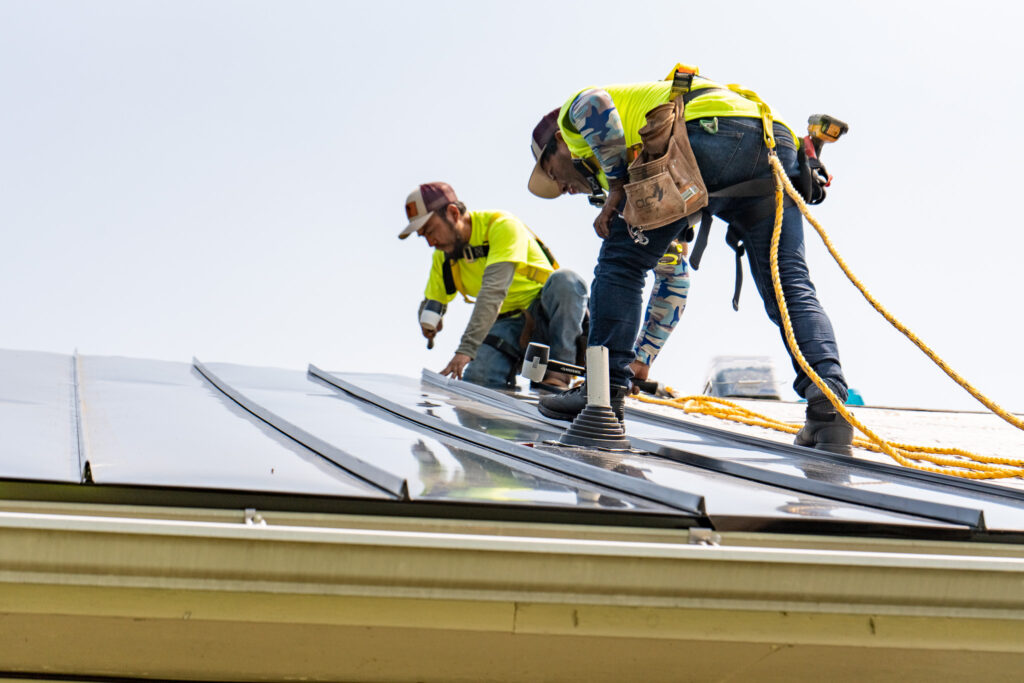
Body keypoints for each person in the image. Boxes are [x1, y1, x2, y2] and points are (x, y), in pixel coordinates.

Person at [526, 67, 853, 455]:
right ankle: (829, 412)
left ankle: (602, 401)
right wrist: (643, 357)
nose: (564, 189)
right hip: (773, 143)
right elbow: (674, 276)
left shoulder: (572, 119)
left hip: (711, 134)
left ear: (559, 144)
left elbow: (593, 104)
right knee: (791, 285)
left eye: (552, 173)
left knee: (620, 264)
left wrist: (617, 187)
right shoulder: (637, 153)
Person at [400, 182, 587, 390]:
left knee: (566, 281)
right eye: (423, 235)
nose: (430, 242)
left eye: (430, 230)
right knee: (478, 381)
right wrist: (427, 320)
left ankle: (558, 376)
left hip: (547, 316)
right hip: (507, 325)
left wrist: (466, 350)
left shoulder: (501, 226)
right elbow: (433, 299)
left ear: (453, 213)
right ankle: (506, 420)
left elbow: (493, 292)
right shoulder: (443, 257)